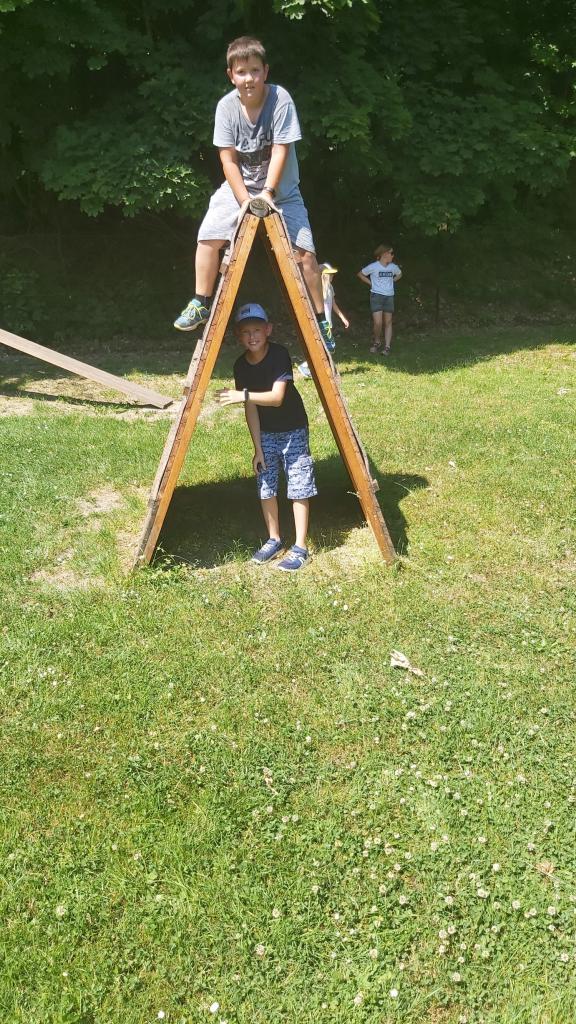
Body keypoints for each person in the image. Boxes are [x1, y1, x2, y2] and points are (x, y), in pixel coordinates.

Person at [174, 36, 333, 352]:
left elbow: (280, 150)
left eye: (255, 71)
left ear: (265, 72)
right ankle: (200, 301)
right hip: (239, 189)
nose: (249, 78)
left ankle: (321, 321)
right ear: (231, 75)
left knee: (306, 256)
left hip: (282, 192)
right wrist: (245, 199)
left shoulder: (280, 99)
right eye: (242, 72)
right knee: (207, 238)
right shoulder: (226, 107)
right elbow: (228, 160)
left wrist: (268, 193)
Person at [216, 302, 316, 572]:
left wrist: (242, 395)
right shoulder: (241, 366)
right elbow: (250, 408)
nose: (252, 336)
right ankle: (274, 539)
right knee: (266, 483)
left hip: (293, 429)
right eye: (246, 331)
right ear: (238, 335)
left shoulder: (279, 355)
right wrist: (257, 447)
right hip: (267, 433)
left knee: (298, 483)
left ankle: (300, 547)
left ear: (268, 329)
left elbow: (277, 397)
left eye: (257, 330)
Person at [298, 261, 350, 378]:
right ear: (323, 275)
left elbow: (334, 304)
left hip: (328, 323)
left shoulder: (330, 287)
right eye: (329, 274)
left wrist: (343, 318)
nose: (332, 276)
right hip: (321, 322)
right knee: (327, 347)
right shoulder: (317, 289)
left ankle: (329, 370)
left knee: (327, 347)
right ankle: (307, 366)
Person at [357, 244, 402, 354]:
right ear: (384, 254)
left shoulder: (393, 267)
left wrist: (393, 281)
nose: (393, 255)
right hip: (376, 296)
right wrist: (371, 283)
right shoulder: (374, 266)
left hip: (389, 296)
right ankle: (377, 341)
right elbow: (360, 274)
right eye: (391, 253)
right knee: (378, 322)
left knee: (388, 322)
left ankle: (387, 347)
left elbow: (400, 274)